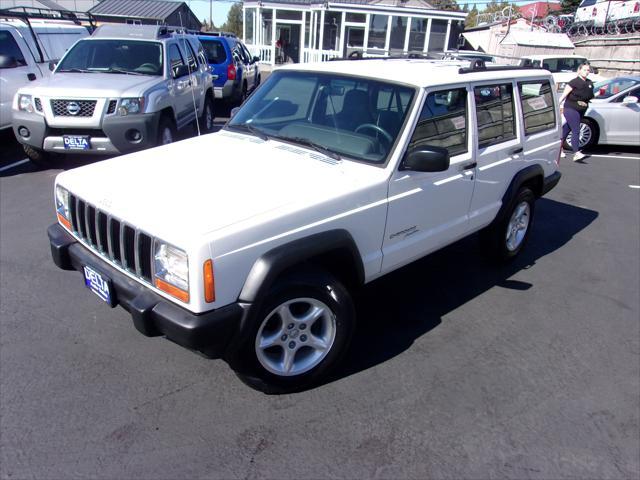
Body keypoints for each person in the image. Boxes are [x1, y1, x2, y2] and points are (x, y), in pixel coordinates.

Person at [559, 62, 595, 162]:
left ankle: (558, 148)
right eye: (584, 70)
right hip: (570, 108)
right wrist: (559, 105)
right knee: (576, 129)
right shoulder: (574, 82)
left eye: (588, 70)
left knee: (567, 129)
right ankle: (576, 153)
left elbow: (589, 96)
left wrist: (586, 102)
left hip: (581, 110)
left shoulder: (589, 83)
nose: (586, 72)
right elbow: (564, 95)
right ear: (579, 70)